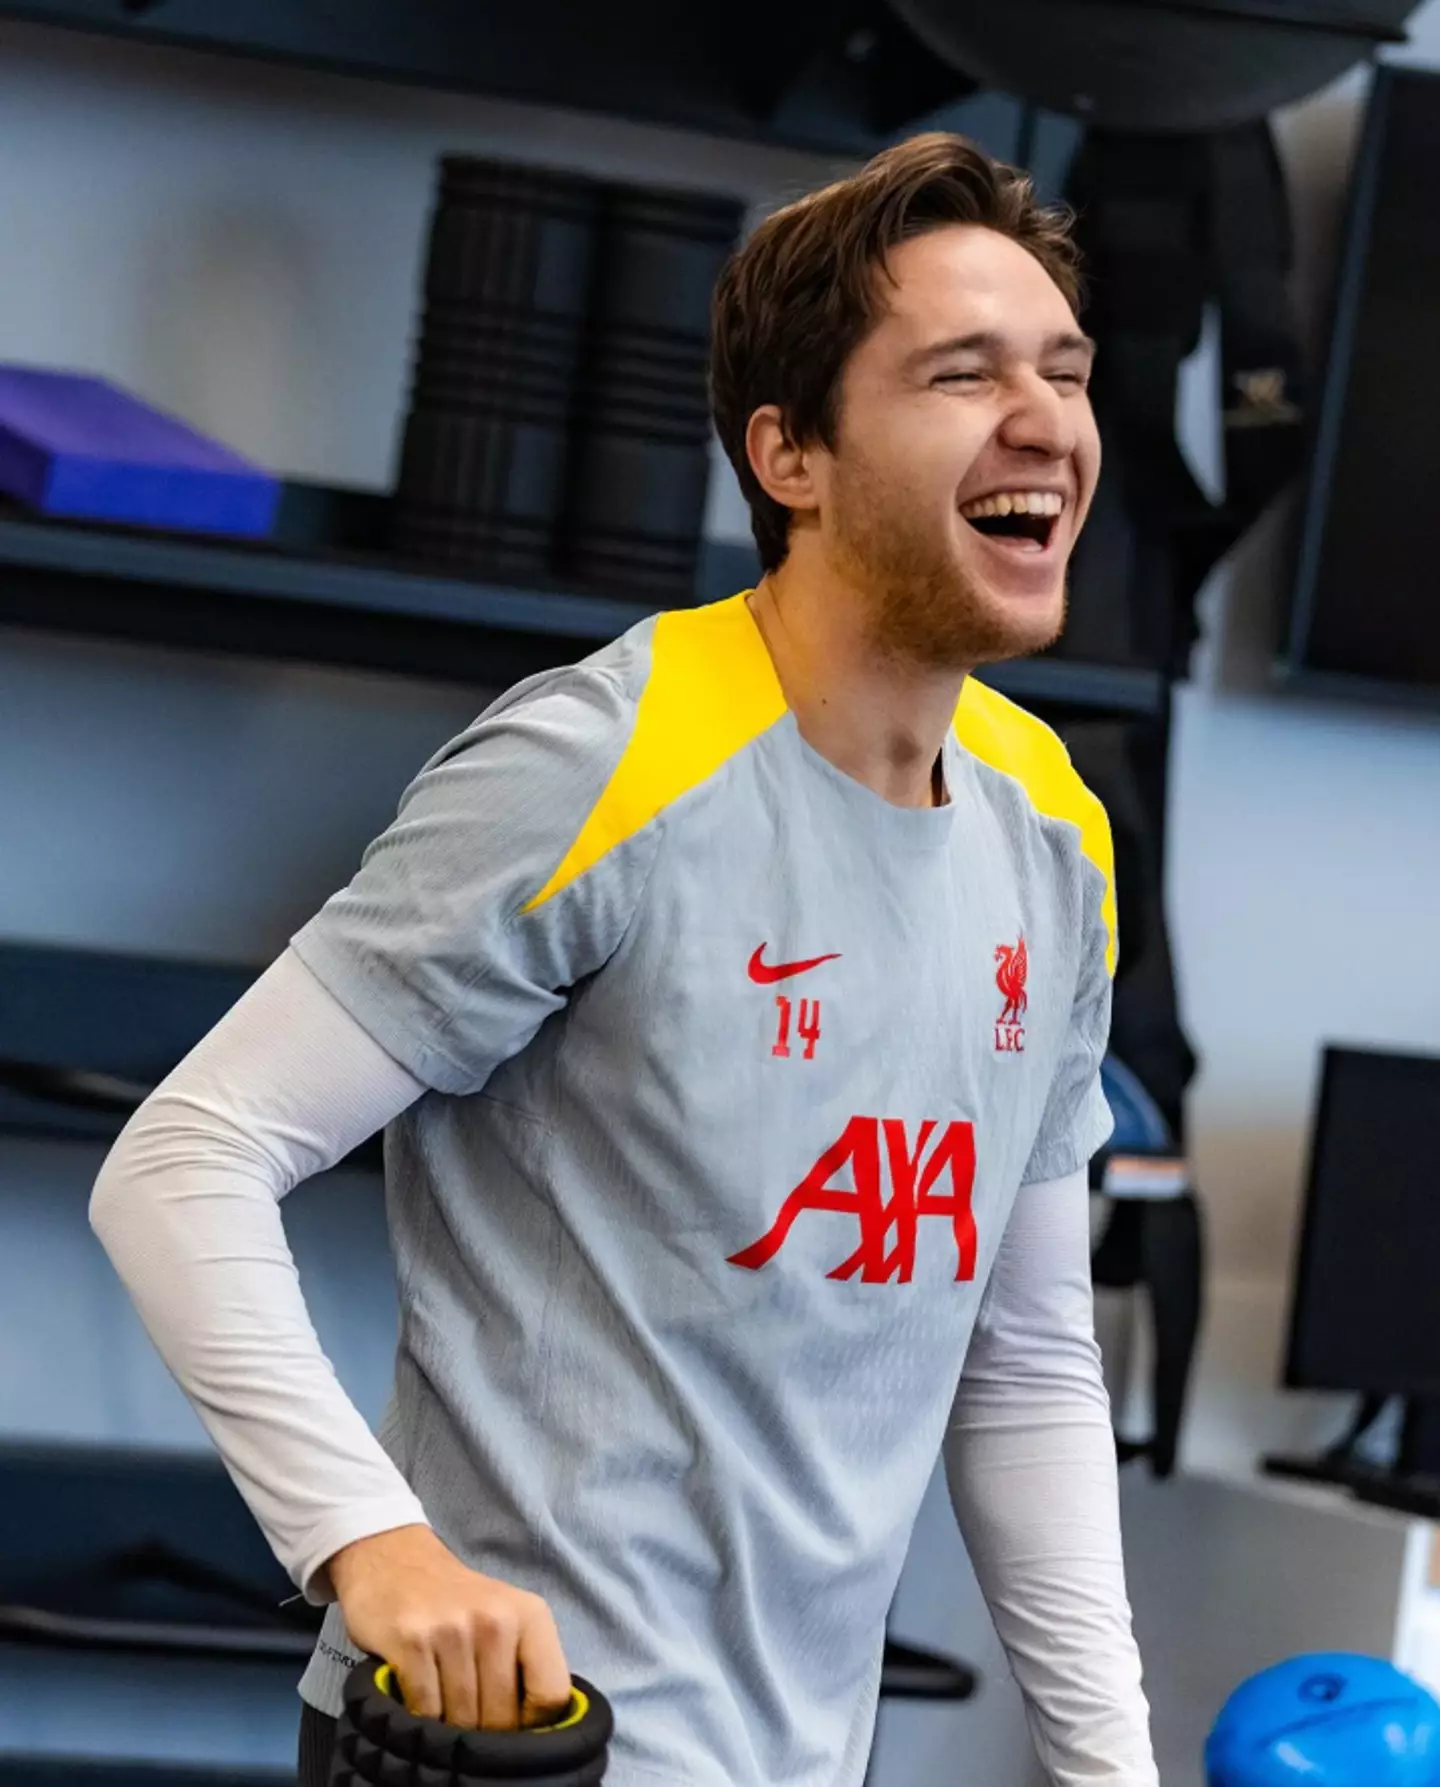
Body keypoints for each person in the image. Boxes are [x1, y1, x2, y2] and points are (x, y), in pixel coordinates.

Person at [90, 131, 1160, 1787]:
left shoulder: (1055, 832)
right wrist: (373, 1546)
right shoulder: (601, 767)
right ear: (789, 452)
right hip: (518, 1754)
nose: (1047, 423)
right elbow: (182, 1160)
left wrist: (1112, 1771)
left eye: (1064, 372)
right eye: (962, 374)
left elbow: (1023, 1363)